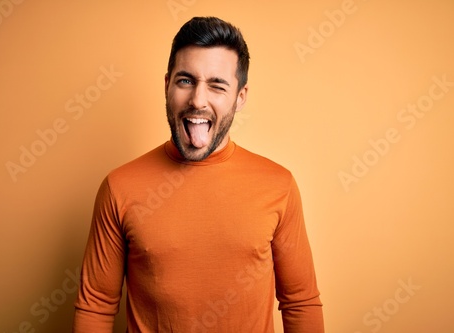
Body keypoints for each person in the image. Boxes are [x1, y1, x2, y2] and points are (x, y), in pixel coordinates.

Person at [73, 16, 324, 332]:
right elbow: (95, 305)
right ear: (167, 86)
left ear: (240, 97)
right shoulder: (119, 187)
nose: (197, 101)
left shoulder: (279, 186)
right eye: (185, 81)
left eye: (217, 85)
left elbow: (300, 302)